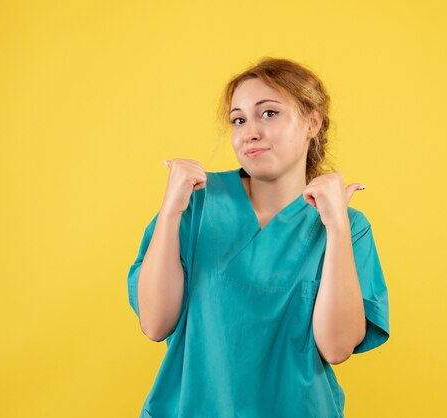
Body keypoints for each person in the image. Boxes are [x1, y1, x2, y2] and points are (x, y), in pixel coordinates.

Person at [127, 57, 390, 418]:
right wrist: (171, 211)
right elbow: (155, 324)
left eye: (269, 113)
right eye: (239, 119)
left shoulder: (348, 226)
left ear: (312, 122)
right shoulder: (193, 205)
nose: (250, 131)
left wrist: (337, 228)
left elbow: (336, 347)